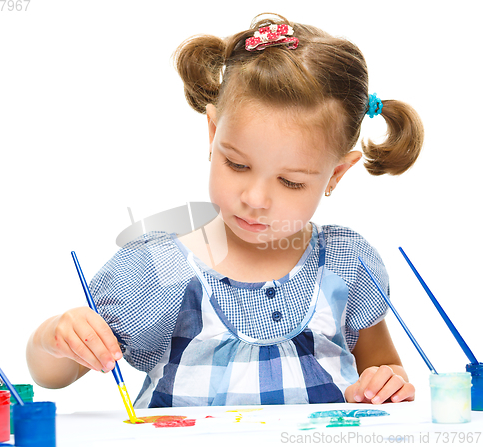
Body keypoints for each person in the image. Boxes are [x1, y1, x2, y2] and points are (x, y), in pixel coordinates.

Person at [26, 13, 423, 407]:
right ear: (214, 134)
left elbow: (383, 367)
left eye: (291, 182)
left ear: (336, 174)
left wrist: (385, 384)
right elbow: (52, 375)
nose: (255, 198)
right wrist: (55, 338)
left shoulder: (344, 263)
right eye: (237, 164)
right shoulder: (159, 270)